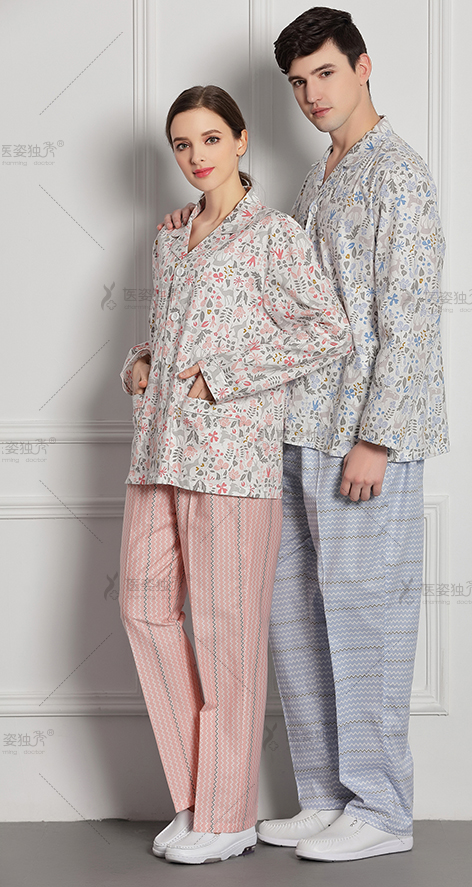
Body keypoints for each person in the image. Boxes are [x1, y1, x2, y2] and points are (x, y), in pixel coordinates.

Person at [161, 6, 449, 864]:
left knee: (365, 623)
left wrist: (378, 438)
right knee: (296, 620)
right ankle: (325, 795)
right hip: (292, 430)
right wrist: (193, 233)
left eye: (324, 73)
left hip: (361, 439)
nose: (311, 94)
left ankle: (382, 808)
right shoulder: (318, 179)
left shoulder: (398, 175)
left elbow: (410, 318)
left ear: (363, 66)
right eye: (296, 82)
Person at [119, 83, 352, 866]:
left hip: (230, 458)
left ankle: (227, 815)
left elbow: (327, 329)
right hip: (157, 450)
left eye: (210, 139)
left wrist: (221, 377)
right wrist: (141, 361)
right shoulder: (169, 236)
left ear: (241, 140)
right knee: (142, 605)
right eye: (182, 144)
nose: (196, 156)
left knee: (226, 636)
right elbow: (170, 329)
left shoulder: (272, 235)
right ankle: (198, 796)